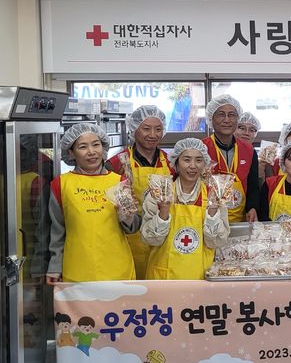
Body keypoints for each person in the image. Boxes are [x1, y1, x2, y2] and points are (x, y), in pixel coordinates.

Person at [46, 123, 138, 284]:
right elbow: (57, 230)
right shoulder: (60, 184)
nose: (91, 152)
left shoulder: (119, 181)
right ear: (71, 152)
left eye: (96, 145)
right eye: (83, 147)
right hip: (77, 269)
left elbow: (132, 227)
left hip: (117, 269)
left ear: (103, 148)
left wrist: (128, 216)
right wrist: (55, 266)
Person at [141, 138, 229, 280]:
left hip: (200, 276)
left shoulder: (214, 195)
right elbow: (149, 240)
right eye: (187, 160)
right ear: (176, 162)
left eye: (199, 160)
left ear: (205, 164)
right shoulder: (159, 193)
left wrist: (212, 212)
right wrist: (163, 212)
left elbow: (217, 242)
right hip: (164, 277)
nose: (193, 166)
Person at [106, 105, 173, 279]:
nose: (153, 134)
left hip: (162, 237)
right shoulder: (117, 163)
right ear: (134, 129)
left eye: (158, 129)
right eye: (146, 128)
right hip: (129, 239)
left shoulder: (171, 162)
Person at [202, 94, 260, 223]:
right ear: (211, 118)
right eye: (221, 114)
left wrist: (252, 207)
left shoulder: (249, 150)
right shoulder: (201, 149)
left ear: (237, 119)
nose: (227, 120)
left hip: (240, 221)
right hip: (207, 220)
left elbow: (253, 186)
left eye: (232, 115)